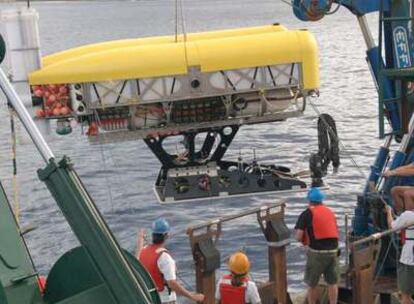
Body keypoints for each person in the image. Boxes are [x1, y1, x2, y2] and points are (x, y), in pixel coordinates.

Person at [136, 218, 205, 304]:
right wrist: (192, 296)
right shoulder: (164, 257)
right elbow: (172, 283)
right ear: (166, 235)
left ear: (153, 235)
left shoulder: (144, 250)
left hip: (150, 298)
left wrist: (140, 240)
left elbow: (138, 257)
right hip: (165, 300)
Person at [294, 187, 339, 304]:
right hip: (333, 251)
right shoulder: (330, 211)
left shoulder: (307, 214)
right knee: (332, 282)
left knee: (312, 283)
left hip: (317, 253)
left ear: (309, 200)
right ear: (322, 200)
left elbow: (298, 236)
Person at [385, 204, 414, 304]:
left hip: (409, 260)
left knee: (405, 296)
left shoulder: (408, 215)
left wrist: (389, 212)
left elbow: (393, 227)